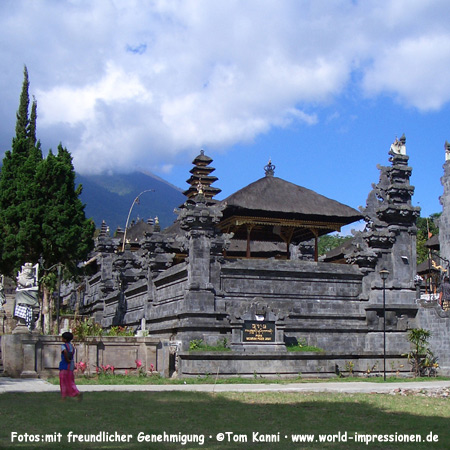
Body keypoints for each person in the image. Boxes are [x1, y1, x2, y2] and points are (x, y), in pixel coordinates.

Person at [59, 331, 82, 401]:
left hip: (64, 365)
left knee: (63, 381)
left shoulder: (63, 346)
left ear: (65, 339)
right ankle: (75, 392)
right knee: (70, 380)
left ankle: (64, 397)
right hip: (70, 365)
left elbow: (65, 352)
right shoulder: (72, 346)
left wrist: (67, 359)